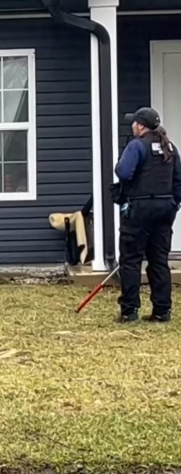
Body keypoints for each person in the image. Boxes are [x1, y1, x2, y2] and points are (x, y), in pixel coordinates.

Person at [114, 106, 181, 323]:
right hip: (165, 209)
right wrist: (173, 205)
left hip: (140, 209)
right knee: (159, 259)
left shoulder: (136, 146)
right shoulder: (170, 147)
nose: (132, 125)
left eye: (134, 122)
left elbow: (124, 172)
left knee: (131, 260)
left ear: (141, 126)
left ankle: (129, 310)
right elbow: (178, 181)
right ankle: (162, 311)